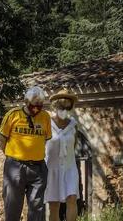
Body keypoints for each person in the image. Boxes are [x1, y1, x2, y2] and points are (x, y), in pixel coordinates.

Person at [0, 85, 52, 221]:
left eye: (40, 105)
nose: (37, 108)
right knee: (12, 206)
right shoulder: (13, 115)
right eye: (34, 105)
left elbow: (44, 140)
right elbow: (2, 140)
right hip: (15, 166)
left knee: (37, 208)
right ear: (26, 102)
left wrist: (34, 154)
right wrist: (13, 156)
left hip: (38, 168)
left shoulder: (45, 117)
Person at [45, 90, 80, 221]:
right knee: (54, 205)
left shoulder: (73, 125)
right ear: (55, 107)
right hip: (51, 169)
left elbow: (74, 145)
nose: (64, 109)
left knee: (72, 199)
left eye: (67, 107)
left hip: (69, 167)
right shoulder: (47, 124)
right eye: (61, 106)